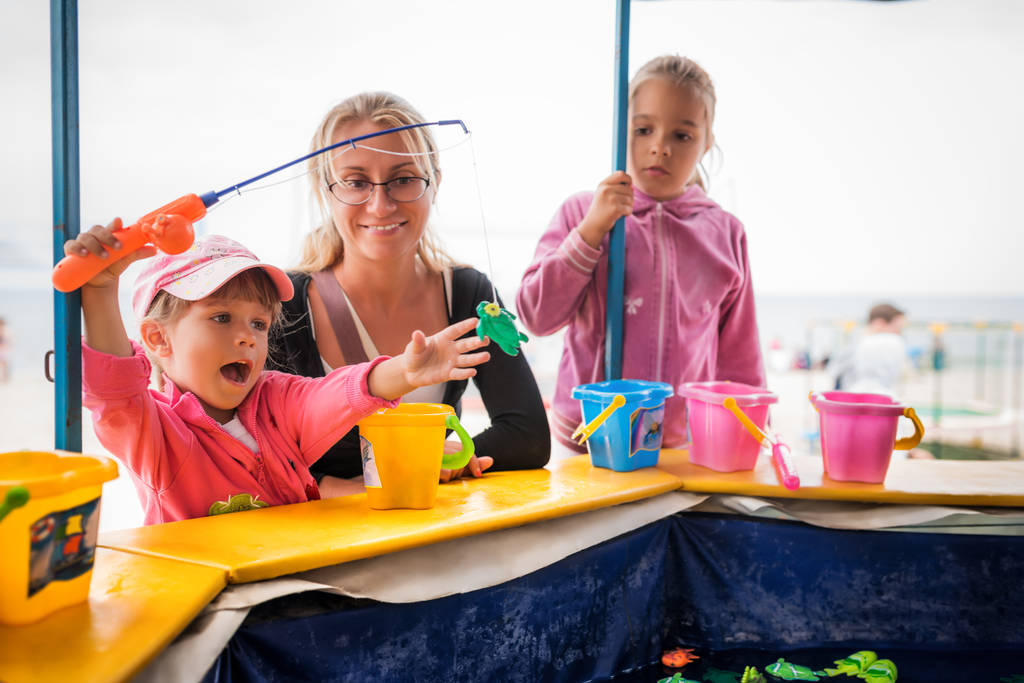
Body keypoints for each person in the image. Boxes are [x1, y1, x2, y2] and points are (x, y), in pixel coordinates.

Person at [68, 225, 489, 524]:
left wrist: (406, 370)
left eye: (258, 324)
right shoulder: (155, 435)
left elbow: (337, 394)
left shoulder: (275, 401)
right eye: (221, 318)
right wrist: (101, 291)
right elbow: (115, 394)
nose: (247, 338)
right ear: (158, 339)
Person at [268, 91, 549, 496]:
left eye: (403, 179)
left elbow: (527, 436)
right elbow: (256, 457)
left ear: (434, 182)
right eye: (355, 182)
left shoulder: (469, 293)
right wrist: (407, 467)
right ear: (325, 190)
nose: (380, 205)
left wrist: (447, 459)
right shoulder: (284, 303)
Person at [516, 55, 765, 452]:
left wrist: (745, 436)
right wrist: (591, 231)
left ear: (706, 143)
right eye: (644, 129)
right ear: (621, 131)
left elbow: (741, 362)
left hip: (677, 444)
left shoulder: (726, 233)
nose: (660, 147)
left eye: (682, 136)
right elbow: (535, 316)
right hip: (585, 440)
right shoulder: (582, 212)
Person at [828, 303, 909, 396]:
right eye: (897, 328)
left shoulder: (855, 344)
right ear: (879, 323)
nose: (899, 333)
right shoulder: (863, 347)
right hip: (858, 400)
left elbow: (833, 371)